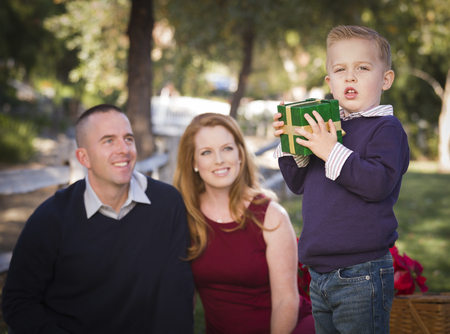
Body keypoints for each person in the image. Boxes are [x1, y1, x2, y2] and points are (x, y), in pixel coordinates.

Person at [2, 104, 195, 333]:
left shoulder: (168, 203)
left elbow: (177, 293)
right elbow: (19, 301)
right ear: (84, 157)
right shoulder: (51, 219)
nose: (124, 149)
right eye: (109, 140)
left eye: (128, 138)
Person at [272, 25, 410, 333]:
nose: (350, 77)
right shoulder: (326, 127)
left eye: (362, 68)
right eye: (340, 69)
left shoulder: (386, 128)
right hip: (320, 274)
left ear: (385, 79)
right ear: (330, 82)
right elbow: (296, 183)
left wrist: (330, 150)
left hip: (362, 272)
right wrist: (289, 140)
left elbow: (377, 184)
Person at [173, 113, 315, 334]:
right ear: (193, 162)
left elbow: (286, 301)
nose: (219, 159)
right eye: (206, 152)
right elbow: (182, 301)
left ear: (240, 153)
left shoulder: (271, 216)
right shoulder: (185, 215)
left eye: (227, 148)